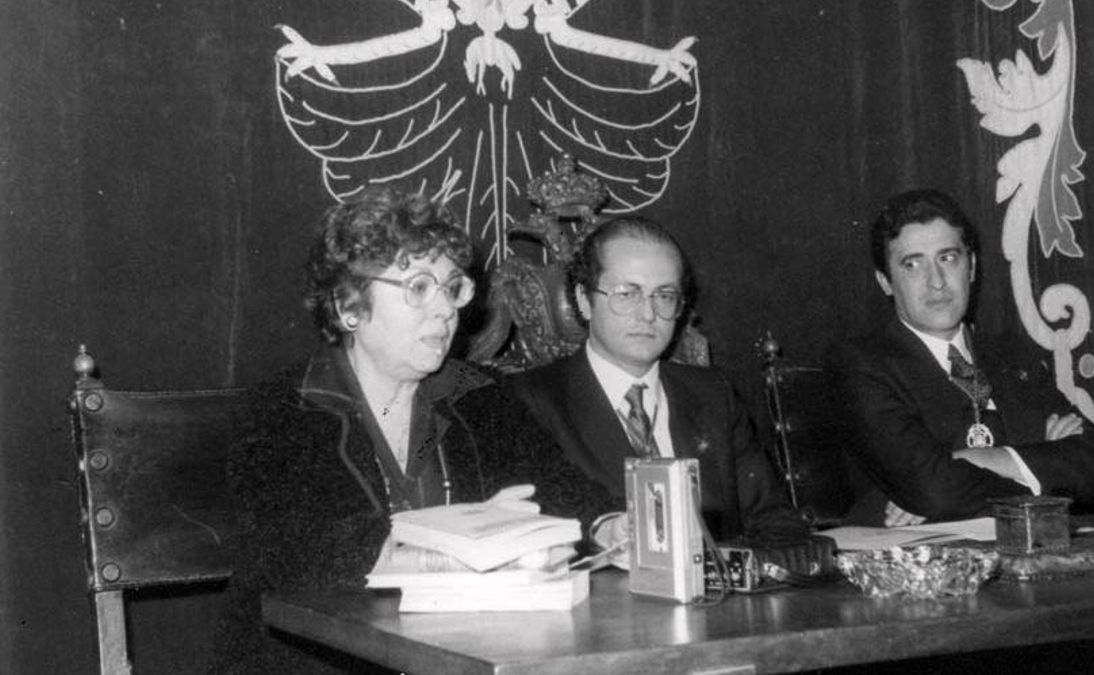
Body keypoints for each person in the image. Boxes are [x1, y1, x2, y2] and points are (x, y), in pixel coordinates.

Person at [208, 186, 620, 674]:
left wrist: (610, 525)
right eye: (419, 288)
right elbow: (310, 550)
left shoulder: (478, 394)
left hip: (455, 655)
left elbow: (555, 485)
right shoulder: (285, 411)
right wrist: (459, 540)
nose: (446, 310)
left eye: (452, 288)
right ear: (349, 306)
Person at [509, 216, 810, 546]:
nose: (648, 314)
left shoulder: (714, 396)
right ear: (584, 300)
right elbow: (531, 529)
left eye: (664, 296)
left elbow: (775, 519)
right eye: (627, 294)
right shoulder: (531, 401)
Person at [832, 189, 1094, 527]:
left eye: (948, 258)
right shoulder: (861, 365)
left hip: (1029, 548)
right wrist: (1045, 468)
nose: (936, 282)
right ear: (885, 282)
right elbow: (934, 491)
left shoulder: (1012, 357)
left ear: (971, 267)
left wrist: (974, 459)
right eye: (912, 265)